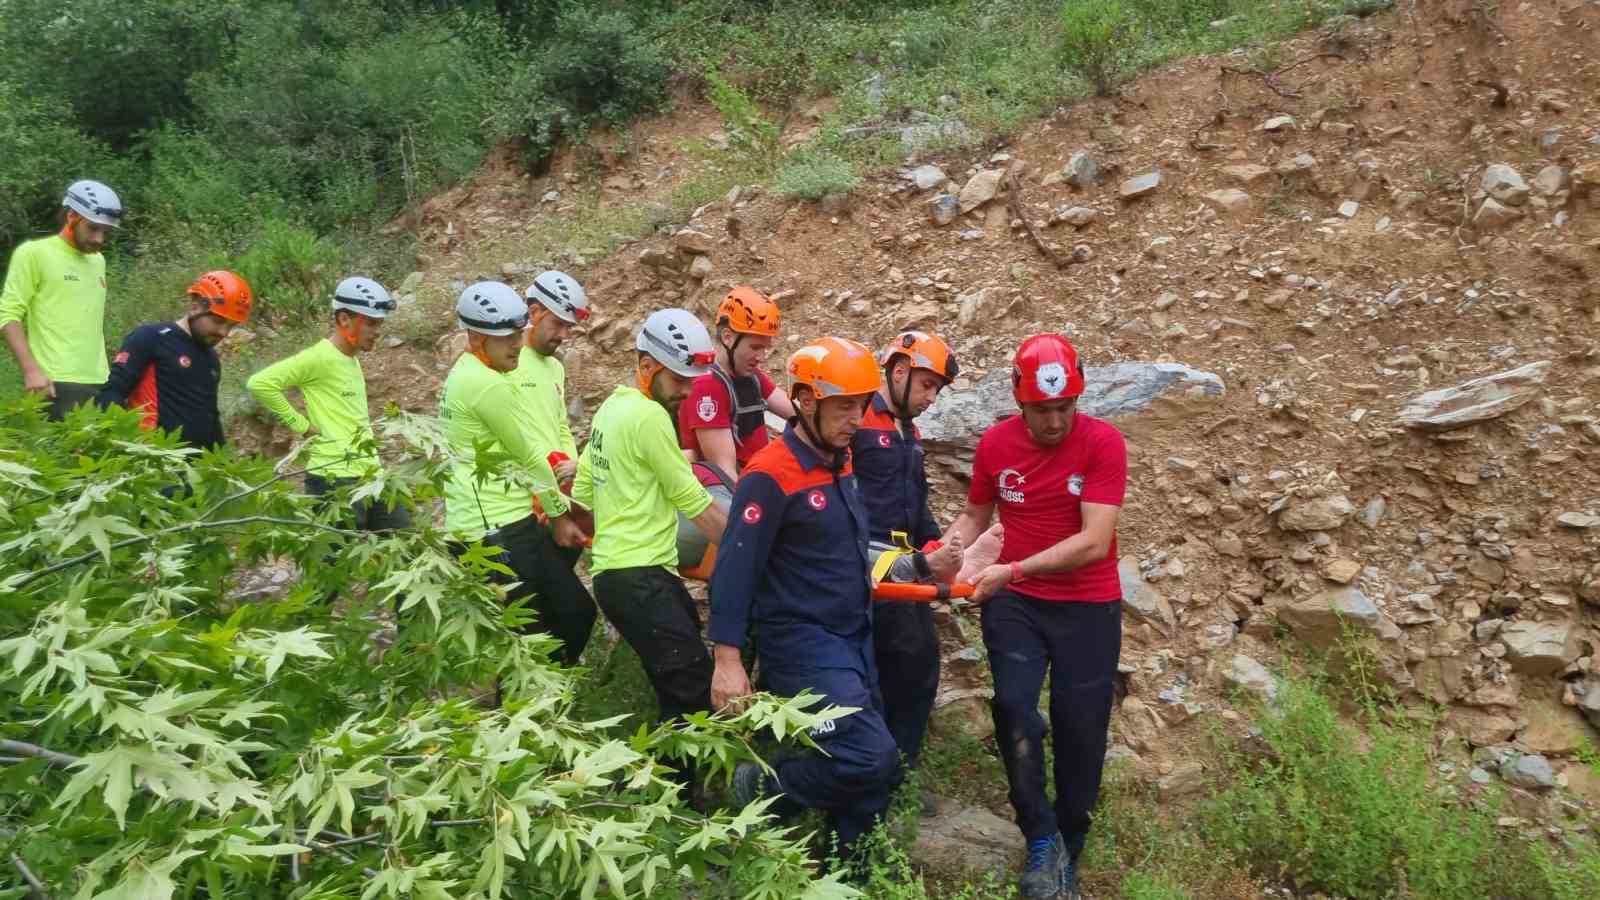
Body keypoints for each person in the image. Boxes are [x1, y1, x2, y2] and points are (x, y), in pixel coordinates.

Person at [945, 333, 1127, 900]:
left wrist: (1013, 569)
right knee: (1014, 706)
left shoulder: (1104, 444)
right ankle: (1040, 835)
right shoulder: (996, 445)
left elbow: (1095, 541)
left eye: (1063, 408)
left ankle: (1071, 843)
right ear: (1019, 401)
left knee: (1081, 726)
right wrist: (938, 556)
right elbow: (974, 516)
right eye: (1041, 410)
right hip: (1017, 603)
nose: (1053, 422)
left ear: (1078, 399)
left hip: (1088, 603)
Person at [711, 336, 898, 866]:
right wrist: (727, 660)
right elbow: (735, 568)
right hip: (802, 644)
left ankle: (850, 874)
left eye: (862, 406)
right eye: (844, 407)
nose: (857, 419)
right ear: (807, 401)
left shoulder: (840, 463)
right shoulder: (769, 476)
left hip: (853, 637)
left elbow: (850, 550)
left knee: (873, 772)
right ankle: (764, 787)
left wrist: (927, 566)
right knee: (869, 755)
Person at [572, 309, 728, 767]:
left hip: (617, 576)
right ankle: (675, 803)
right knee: (694, 693)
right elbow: (693, 501)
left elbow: (583, 496)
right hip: (640, 575)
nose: (687, 390)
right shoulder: (648, 418)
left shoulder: (610, 410)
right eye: (680, 379)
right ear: (647, 366)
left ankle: (665, 795)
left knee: (677, 686)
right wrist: (749, 552)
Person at [439, 281, 592, 667]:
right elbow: (530, 457)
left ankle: (543, 706)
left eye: (516, 334)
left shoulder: (472, 372)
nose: (514, 344)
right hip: (492, 528)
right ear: (476, 338)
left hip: (509, 520)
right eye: (504, 338)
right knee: (534, 638)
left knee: (568, 617)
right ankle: (529, 715)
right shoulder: (486, 385)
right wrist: (561, 517)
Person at [852, 331, 964, 780]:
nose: (932, 397)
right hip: (866, 566)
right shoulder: (856, 421)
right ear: (899, 372)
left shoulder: (907, 432)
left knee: (919, 668)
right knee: (893, 667)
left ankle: (897, 773)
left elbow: (915, 502)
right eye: (927, 385)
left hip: (906, 564)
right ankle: (876, 774)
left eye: (936, 388)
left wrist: (939, 545)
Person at [246, 276, 409, 534]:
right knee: (336, 564)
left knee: (405, 543)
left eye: (380, 324)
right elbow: (260, 383)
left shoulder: (352, 359)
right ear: (344, 319)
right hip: (333, 478)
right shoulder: (319, 357)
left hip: (371, 473)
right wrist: (301, 425)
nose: (377, 331)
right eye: (371, 323)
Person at [1, 180, 123, 418]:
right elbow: (8, 315)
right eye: (93, 228)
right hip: (55, 382)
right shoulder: (34, 254)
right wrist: (31, 371)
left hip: (100, 381)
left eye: (105, 232)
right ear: (71, 217)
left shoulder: (98, 261)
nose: (99, 239)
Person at [96, 270, 251, 451]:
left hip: (195, 470)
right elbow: (112, 392)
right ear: (195, 306)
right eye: (218, 321)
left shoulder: (211, 360)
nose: (223, 332)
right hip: (153, 462)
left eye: (231, 326)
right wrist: (122, 445)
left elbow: (210, 418)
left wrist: (223, 465)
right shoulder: (151, 338)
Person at [677, 286, 795, 484]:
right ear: (727, 337)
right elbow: (726, 472)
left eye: (765, 348)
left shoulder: (749, 375)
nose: (761, 358)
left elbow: (796, 411)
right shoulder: (707, 386)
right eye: (755, 347)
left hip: (758, 479)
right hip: (732, 491)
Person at [513, 269, 587, 512]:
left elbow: (560, 424)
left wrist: (570, 463)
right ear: (534, 313)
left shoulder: (556, 367)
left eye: (568, 327)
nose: (564, 335)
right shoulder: (506, 362)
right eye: (557, 324)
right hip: (519, 493)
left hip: (554, 487)